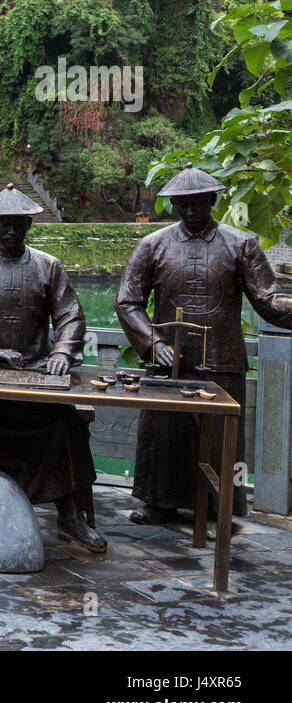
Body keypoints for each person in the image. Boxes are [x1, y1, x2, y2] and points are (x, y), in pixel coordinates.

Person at [0, 184, 105, 552]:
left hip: (35, 378)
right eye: (4, 225)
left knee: (66, 425)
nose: (11, 233)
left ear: (29, 225)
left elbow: (70, 316)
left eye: (19, 226)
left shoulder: (48, 266)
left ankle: (70, 516)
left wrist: (61, 350)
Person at [116, 166, 292, 525]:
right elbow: (128, 301)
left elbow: (268, 299)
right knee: (163, 435)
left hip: (221, 359)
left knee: (218, 442)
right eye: (183, 204)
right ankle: (158, 502)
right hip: (169, 360)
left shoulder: (240, 243)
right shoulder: (153, 244)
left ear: (212, 199)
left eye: (197, 203)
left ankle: (218, 507)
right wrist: (153, 344)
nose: (190, 210)